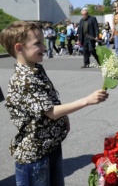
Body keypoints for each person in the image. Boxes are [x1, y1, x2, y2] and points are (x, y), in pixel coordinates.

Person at [0, 21, 109, 186]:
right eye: (38, 44)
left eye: (43, 42)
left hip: (49, 146)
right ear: (19, 48)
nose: (44, 47)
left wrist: (64, 117)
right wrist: (87, 100)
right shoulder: (23, 80)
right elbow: (50, 111)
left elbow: (50, 98)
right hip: (34, 155)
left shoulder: (36, 69)